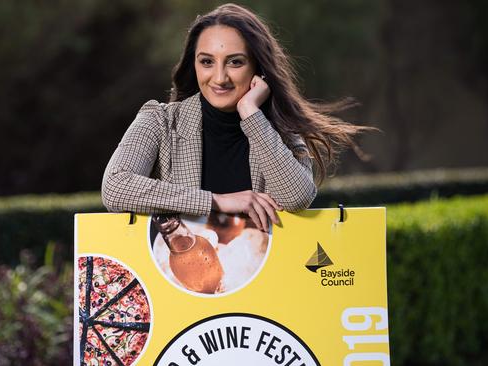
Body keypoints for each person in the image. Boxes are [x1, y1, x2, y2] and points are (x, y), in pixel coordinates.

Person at [102, 3, 371, 231]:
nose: (219, 78)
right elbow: (115, 187)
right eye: (207, 62)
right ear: (193, 64)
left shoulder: (276, 129)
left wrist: (251, 113)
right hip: (178, 283)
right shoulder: (159, 121)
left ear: (258, 67)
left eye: (235, 62)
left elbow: (297, 197)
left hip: (259, 283)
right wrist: (216, 201)